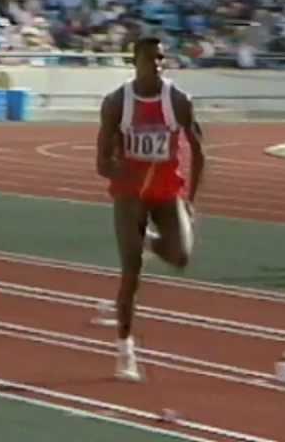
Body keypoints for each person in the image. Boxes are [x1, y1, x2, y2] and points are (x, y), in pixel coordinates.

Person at [96, 37, 205, 381]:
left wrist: (190, 200)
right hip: (129, 195)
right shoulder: (117, 103)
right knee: (131, 272)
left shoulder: (178, 100)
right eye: (149, 58)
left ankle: (149, 241)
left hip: (166, 192)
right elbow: (100, 163)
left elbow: (200, 153)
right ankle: (125, 349)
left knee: (181, 255)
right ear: (135, 62)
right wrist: (120, 169)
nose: (156, 64)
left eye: (160, 58)